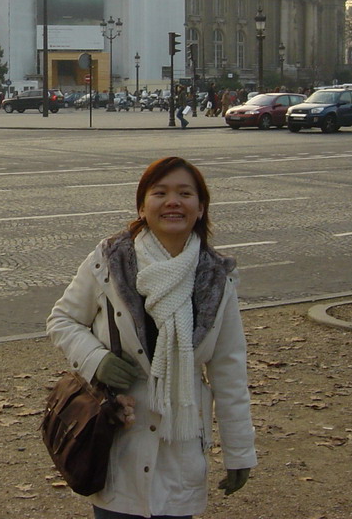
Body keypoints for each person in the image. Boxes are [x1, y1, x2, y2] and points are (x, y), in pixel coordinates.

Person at [47, 156, 255, 519]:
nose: (173, 201)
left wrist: (240, 451)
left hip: (181, 441)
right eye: (160, 192)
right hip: (118, 438)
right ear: (143, 206)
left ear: (200, 207)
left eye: (184, 193)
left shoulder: (217, 279)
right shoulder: (109, 261)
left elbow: (229, 371)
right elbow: (62, 319)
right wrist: (97, 360)